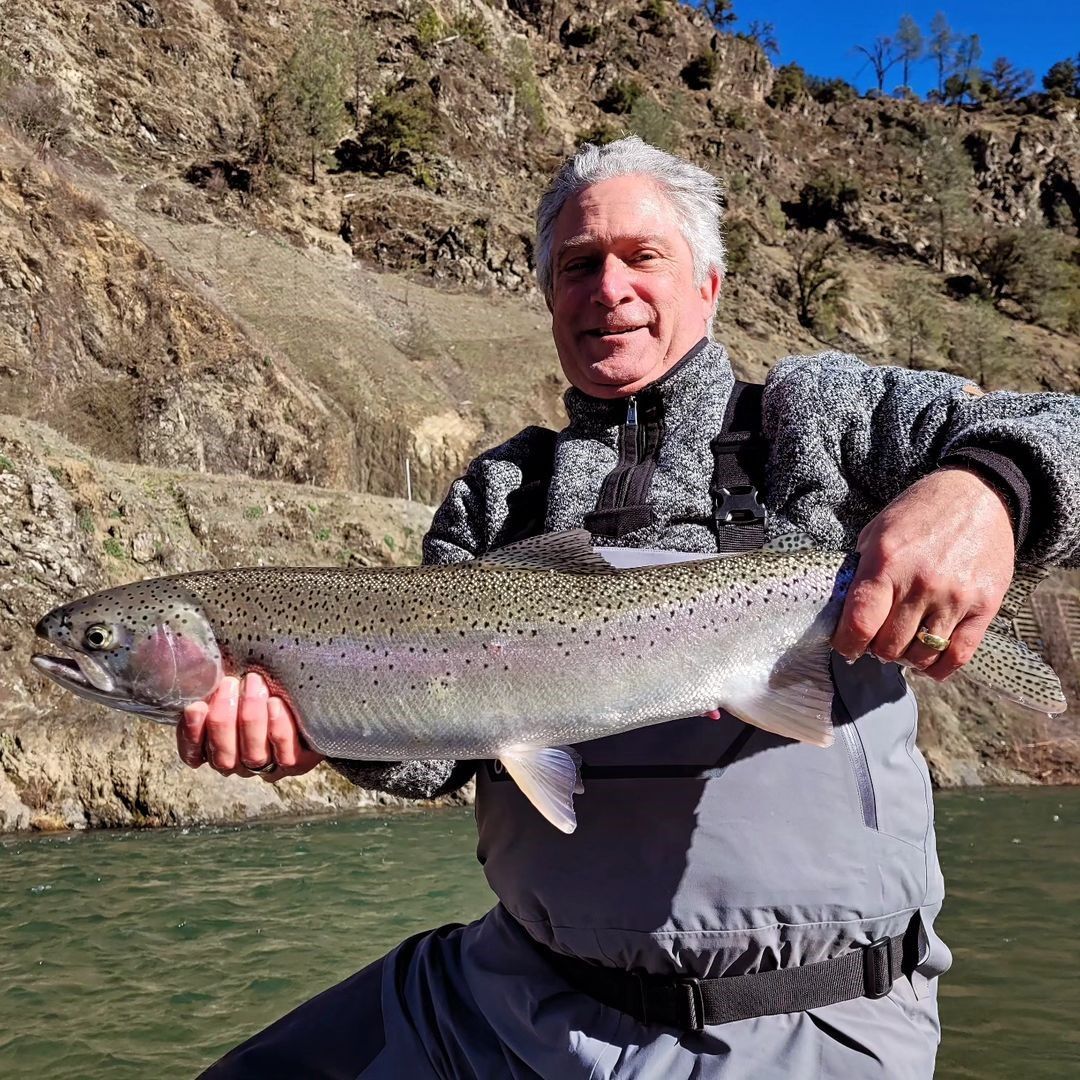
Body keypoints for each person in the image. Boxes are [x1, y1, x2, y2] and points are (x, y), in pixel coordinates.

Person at [187, 138, 1080, 1078]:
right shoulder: (500, 494)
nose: (607, 287)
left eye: (641, 256)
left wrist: (986, 491)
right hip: (510, 1002)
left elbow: (1065, 427)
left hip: (802, 1013)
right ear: (549, 300)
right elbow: (440, 762)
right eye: (577, 266)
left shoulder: (814, 419)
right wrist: (327, 728)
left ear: (711, 285)